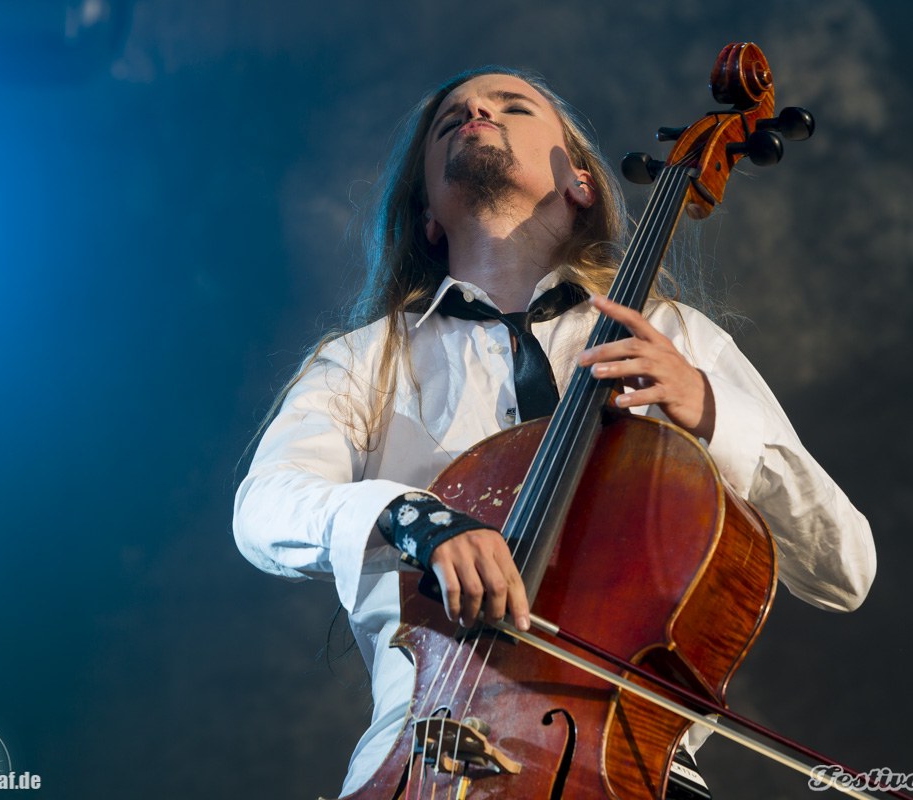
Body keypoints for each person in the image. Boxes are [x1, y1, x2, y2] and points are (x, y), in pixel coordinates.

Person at [233, 66, 876, 797]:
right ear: (428, 217)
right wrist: (416, 520)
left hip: (624, 763)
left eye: (512, 105)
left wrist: (711, 410)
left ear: (582, 184)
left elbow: (845, 569)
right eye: (451, 118)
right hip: (422, 757)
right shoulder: (362, 360)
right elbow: (264, 509)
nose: (476, 108)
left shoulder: (667, 337)